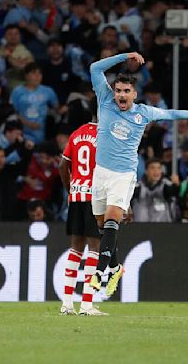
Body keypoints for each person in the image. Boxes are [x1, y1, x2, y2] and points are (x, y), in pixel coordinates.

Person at [87, 52, 188, 293]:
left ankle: (100, 273)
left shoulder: (144, 113)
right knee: (101, 225)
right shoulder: (105, 100)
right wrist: (124, 56)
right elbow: (95, 68)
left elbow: (171, 114)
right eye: (118, 90)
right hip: (101, 173)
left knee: (111, 220)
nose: (121, 95)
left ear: (134, 94)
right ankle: (116, 268)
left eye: (126, 91)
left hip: (123, 175)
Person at [59, 117, 107, 316]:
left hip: (77, 195)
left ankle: (67, 303)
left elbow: (63, 166)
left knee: (76, 247)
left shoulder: (77, 133)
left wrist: (70, 189)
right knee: (95, 247)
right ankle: (87, 304)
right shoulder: (105, 136)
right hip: (94, 197)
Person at [131, 158, 180, 223]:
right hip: (140, 227)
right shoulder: (138, 187)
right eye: (152, 168)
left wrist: (177, 185)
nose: (156, 171)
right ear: (146, 171)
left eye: (159, 168)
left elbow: (174, 192)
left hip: (163, 227)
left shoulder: (166, 185)